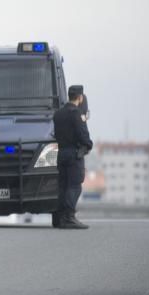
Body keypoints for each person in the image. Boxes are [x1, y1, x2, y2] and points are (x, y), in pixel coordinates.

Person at [53, 84, 93, 229]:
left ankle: (59, 218)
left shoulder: (58, 114)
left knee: (62, 186)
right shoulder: (75, 113)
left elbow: (56, 134)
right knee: (75, 186)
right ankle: (69, 217)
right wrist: (89, 144)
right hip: (73, 154)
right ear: (80, 97)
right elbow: (83, 135)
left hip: (61, 153)